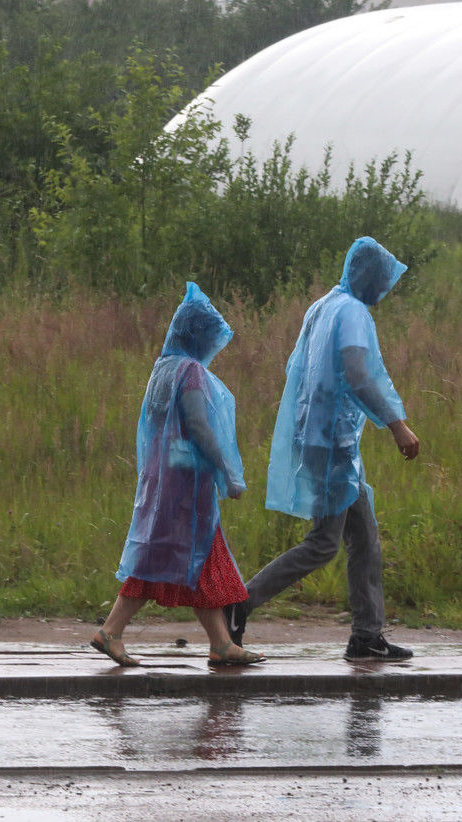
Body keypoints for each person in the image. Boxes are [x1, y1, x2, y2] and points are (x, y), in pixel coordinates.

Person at [225, 236, 421, 662]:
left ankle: (367, 637)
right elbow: (357, 374)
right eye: (383, 280)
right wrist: (397, 425)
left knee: (364, 538)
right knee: (323, 544)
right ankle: (240, 601)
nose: (384, 290)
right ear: (369, 276)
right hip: (332, 444)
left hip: (324, 440)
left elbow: (298, 368)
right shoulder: (350, 311)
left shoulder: (324, 304)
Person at [91, 283, 264, 668]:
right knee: (171, 557)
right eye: (209, 337)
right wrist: (226, 471)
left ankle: (220, 643)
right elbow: (200, 427)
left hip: (164, 481)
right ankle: (112, 631)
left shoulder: (162, 369)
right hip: (186, 486)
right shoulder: (189, 372)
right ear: (198, 335)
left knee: (193, 558)